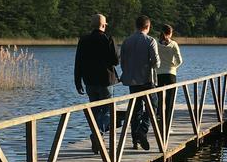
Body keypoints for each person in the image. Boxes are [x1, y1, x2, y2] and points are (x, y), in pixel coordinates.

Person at [73, 13, 120, 152]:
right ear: (103, 25)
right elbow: (115, 61)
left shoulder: (83, 40)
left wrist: (77, 81)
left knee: (95, 112)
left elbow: (78, 62)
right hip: (106, 81)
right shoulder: (108, 39)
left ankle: (98, 138)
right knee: (107, 111)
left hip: (89, 81)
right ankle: (97, 134)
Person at [119, 15, 160, 150]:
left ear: (136, 26)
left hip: (132, 81)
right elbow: (156, 62)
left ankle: (135, 141)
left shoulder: (126, 41)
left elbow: (122, 62)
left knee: (135, 110)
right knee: (153, 106)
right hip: (147, 81)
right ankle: (142, 130)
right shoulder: (150, 41)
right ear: (147, 27)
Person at [155, 24, 183, 129]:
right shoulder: (174, 44)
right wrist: (173, 67)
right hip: (171, 75)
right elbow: (180, 60)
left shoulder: (156, 43)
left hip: (159, 75)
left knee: (159, 101)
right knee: (169, 102)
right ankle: (167, 126)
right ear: (170, 33)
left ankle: (159, 123)